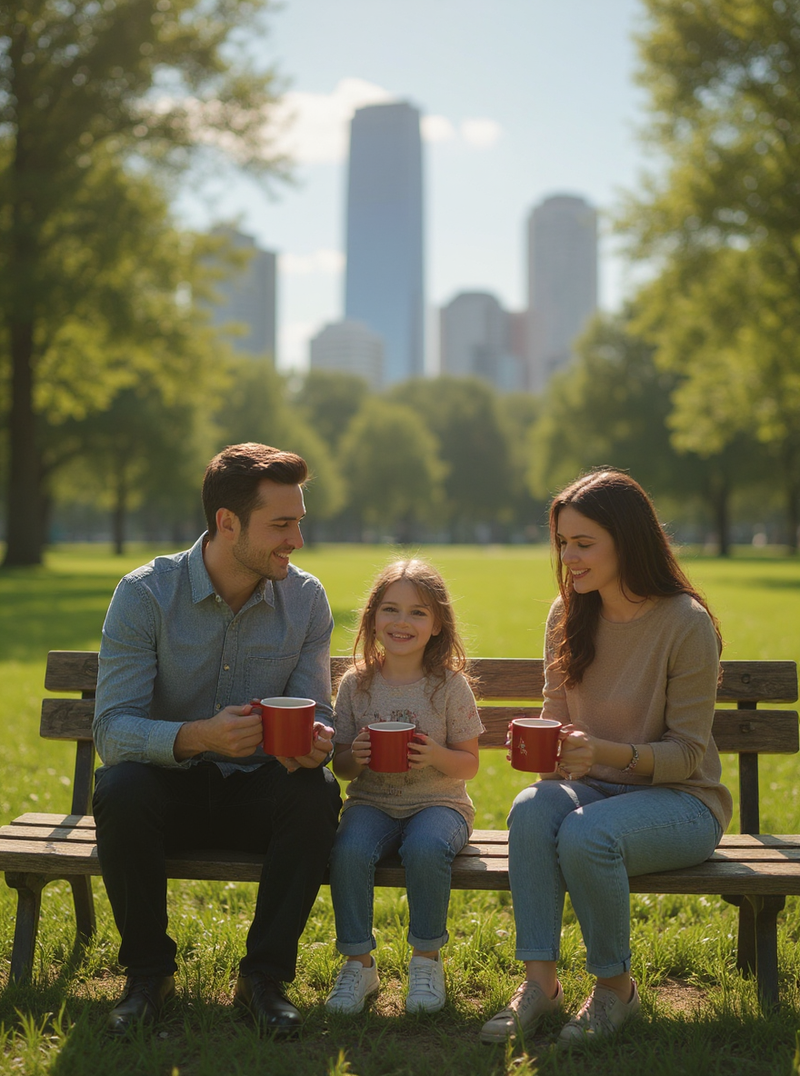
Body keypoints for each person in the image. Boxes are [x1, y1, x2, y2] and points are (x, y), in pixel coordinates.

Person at [92, 443, 341, 1038]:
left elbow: (319, 711)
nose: (296, 541)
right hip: (168, 798)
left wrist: (316, 743)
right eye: (281, 525)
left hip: (256, 797)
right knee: (121, 787)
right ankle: (148, 977)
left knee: (314, 791)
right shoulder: (146, 594)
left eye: (298, 523)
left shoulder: (305, 599)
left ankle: (264, 979)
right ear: (228, 523)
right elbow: (111, 729)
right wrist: (197, 736)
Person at [480, 469, 732, 1047]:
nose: (569, 557)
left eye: (584, 543)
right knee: (530, 808)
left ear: (627, 539)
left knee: (587, 835)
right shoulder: (568, 614)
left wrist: (604, 752)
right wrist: (544, 749)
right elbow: (553, 705)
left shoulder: (684, 623)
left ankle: (616, 990)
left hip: (683, 802)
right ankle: (540, 985)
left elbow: (690, 753)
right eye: (563, 543)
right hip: (592, 790)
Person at [324, 559, 483, 1016]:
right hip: (371, 801)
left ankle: (426, 960)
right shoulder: (356, 684)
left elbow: (469, 764)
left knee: (427, 849)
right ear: (373, 619)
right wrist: (355, 754)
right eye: (390, 609)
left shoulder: (449, 686)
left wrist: (435, 754)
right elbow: (342, 768)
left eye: (418, 612)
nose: (402, 621)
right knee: (349, 850)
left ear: (437, 624)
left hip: (440, 802)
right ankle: (359, 963)